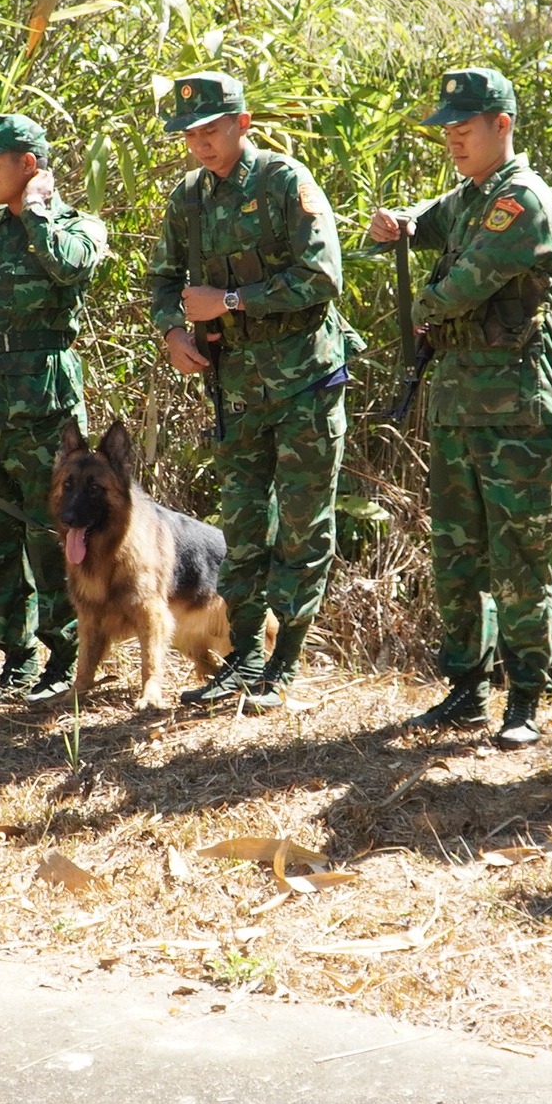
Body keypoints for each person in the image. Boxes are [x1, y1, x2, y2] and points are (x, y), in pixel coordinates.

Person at [367, 67, 552, 749]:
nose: (452, 139)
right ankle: (465, 689)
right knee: (457, 553)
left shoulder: (523, 200)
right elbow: (430, 220)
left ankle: (526, 700)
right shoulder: (474, 194)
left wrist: (421, 305)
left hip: (516, 404)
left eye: (464, 127)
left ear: (502, 125)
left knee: (520, 554)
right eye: (446, 129)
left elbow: (464, 285)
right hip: (459, 399)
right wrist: (400, 223)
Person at [147, 72, 359, 713]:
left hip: (304, 387)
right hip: (236, 391)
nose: (201, 145)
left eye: (212, 130)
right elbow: (162, 278)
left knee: (300, 527)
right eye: (190, 135)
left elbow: (323, 276)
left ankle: (283, 665)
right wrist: (173, 331)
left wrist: (231, 300)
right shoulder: (188, 199)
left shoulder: (283, 182)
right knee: (241, 528)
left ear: (242, 124)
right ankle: (242, 660)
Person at [0, 114, 105, 703]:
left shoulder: (78, 227)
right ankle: (16, 658)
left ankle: (64, 660)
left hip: (43, 413)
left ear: (28, 166)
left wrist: (34, 211)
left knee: (53, 537)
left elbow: (71, 268)